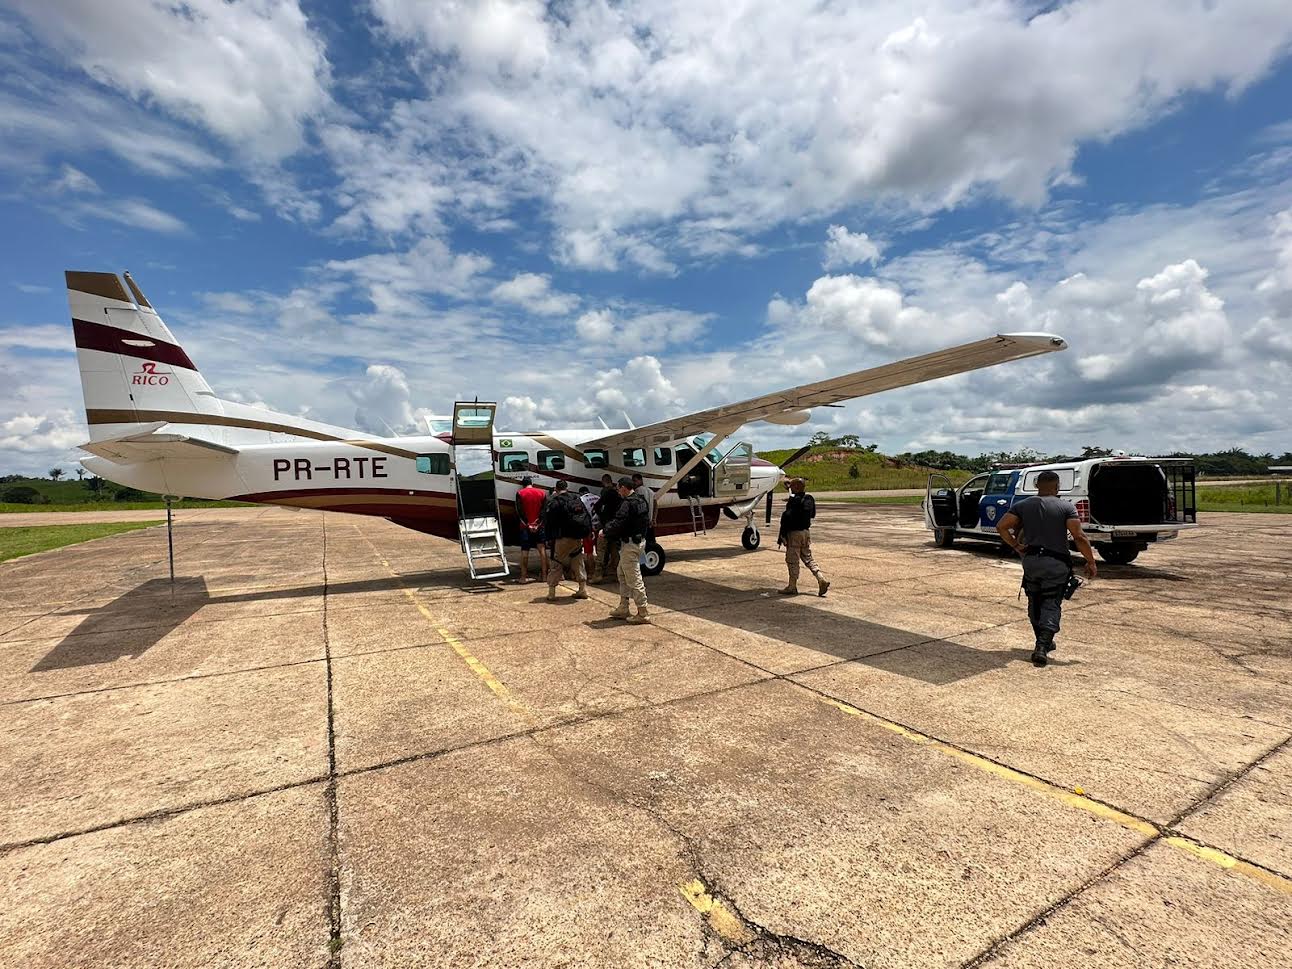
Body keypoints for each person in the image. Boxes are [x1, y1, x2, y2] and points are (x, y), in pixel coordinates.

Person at [996, 469, 1097, 667]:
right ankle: (1041, 647)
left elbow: (1002, 526)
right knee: (1051, 603)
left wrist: (1016, 545)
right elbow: (1079, 536)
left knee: (1035, 603)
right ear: (1057, 486)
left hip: (1031, 562)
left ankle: (1044, 642)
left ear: (1036, 486)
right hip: (1056, 563)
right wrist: (1091, 561)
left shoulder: (1022, 506)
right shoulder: (1065, 507)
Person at [604, 476, 651, 623]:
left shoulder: (627, 503)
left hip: (630, 544)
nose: (618, 491)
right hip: (638, 541)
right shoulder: (641, 501)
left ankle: (643, 612)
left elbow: (619, 521)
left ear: (624, 487)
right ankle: (623, 607)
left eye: (619, 488)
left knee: (633, 577)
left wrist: (605, 531)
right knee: (622, 573)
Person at [777, 477, 829, 597]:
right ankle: (820, 578)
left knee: (792, 560)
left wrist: (783, 535)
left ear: (796, 487)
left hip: (794, 534)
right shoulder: (809, 499)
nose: (790, 488)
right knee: (808, 558)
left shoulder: (794, 501)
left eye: (792, 486)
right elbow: (813, 514)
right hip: (806, 533)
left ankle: (792, 586)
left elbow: (787, 516)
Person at [541, 480, 591, 602]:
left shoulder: (555, 502)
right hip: (577, 537)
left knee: (556, 563)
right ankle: (582, 589)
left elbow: (549, 522)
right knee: (578, 561)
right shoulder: (576, 499)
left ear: (556, 489)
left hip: (561, 538)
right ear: (566, 488)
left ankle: (552, 592)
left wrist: (548, 538)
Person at [514, 475, 548, 584]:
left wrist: (528, 524)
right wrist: (537, 524)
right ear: (532, 483)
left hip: (525, 527)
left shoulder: (520, 493)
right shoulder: (542, 493)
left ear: (522, 484)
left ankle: (523, 577)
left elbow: (520, 511)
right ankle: (544, 576)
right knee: (542, 551)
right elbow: (544, 511)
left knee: (525, 552)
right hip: (539, 526)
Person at [592, 472, 622, 584]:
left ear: (603, 482)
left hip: (606, 526)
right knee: (615, 552)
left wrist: (602, 516)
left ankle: (598, 574)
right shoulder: (618, 494)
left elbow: (597, 506)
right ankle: (618, 574)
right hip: (616, 527)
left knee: (601, 551)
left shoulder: (605, 492)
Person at [578, 486, 600, 570]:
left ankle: (591, 571)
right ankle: (599, 569)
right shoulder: (597, 497)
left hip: (588, 528)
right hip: (598, 526)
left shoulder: (581, 499)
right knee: (599, 550)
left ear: (581, 493)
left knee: (589, 551)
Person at [631, 472, 656, 542]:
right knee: (651, 542)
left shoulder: (638, 491)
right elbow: (656, 505)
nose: (634, 483)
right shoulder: (650, 491)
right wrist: (654, 518)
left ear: (641, 480)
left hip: (643, 523)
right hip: (650, 522)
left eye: (635, 481)